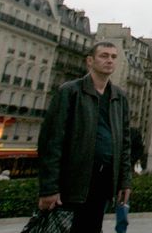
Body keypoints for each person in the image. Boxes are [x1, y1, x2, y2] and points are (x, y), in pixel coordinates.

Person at [37, 42, 132, 233]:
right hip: (73, 181)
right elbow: (51, 141)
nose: (109, 60)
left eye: (113, 57)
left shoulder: (119, 97)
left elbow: (125, 143)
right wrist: (49, 189)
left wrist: (124, 181)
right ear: (90, 61)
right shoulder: (70, 91)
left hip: (103, 181)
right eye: (104, 56)